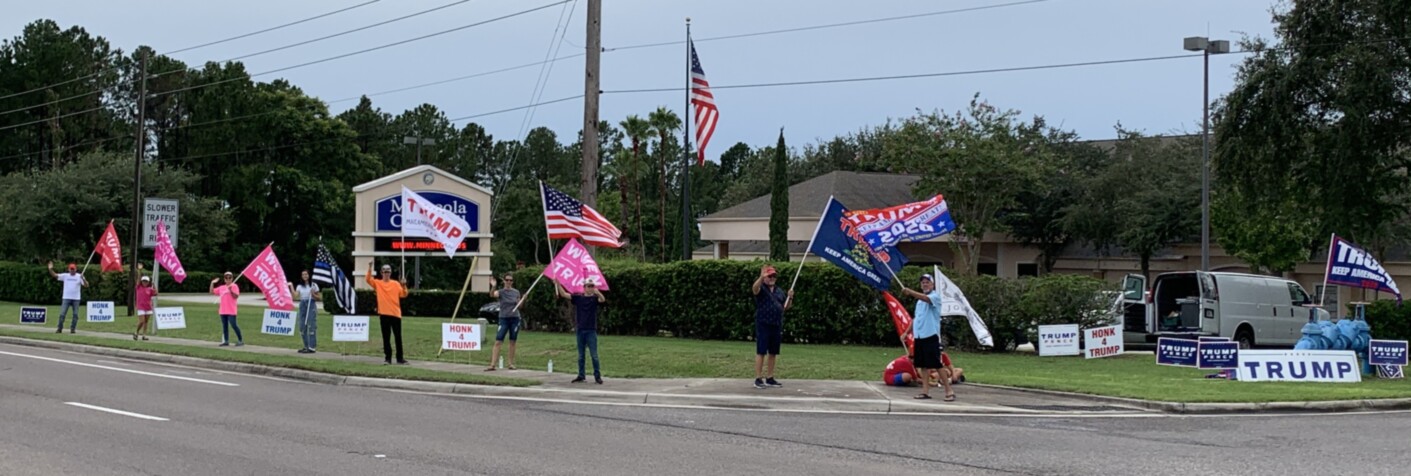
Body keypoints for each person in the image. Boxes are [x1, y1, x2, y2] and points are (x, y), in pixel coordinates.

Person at [901, 274, 954, 401]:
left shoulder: (934, 297)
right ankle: (925, 391)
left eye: (927, 282)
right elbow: (916, 318)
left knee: (937, 364)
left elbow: (926, 298)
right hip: (919, 336)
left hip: (931, 335)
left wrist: (910, 292)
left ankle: (949, 391)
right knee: (923, 365)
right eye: (923, 282)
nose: (924, 284)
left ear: (932, 284)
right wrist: (907, 332)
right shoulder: (919, 302)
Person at [750, 265, 793, 389]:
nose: (772, 278)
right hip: (763, 323)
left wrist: (790, 297)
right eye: (769, 276)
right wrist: (760, 277)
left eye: (774, 276)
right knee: (761, 351)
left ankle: (770, 377)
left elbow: (786, 307)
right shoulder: (761, 289)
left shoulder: (779, 291)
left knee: (773, 352)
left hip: (776, 323)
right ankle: (758, 378)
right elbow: (754, 288)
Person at [557, 278, 605, 384]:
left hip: (591, 330)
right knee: (581, 355)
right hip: (580, 329)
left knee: (594, 355)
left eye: (592, 286)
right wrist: (558, 284)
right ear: (584, 287)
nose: (590, 288)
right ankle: (581, 375)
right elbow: (564, 294)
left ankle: (597, 376)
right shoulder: (578, 297)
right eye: (588, 286)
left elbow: (602, 300)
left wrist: (598, 293)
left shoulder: (594, 299)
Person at [367, 263, 409, 365]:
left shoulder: (395, 284)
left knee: (398, 337)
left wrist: (404, 285)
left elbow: (403, 294)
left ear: (390, 273)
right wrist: (370, 268)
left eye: (388, 272)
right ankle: (388, 358)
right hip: (384, 314)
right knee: (386, 338)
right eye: (385, 272)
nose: (387, 274)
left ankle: (400, 358)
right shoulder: (378, 283)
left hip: (395, 314)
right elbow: (368, 279)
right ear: (381, 273)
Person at [486, 273, 521, 371]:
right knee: (498, 340)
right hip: (504, 318)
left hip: (515, 318)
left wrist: (523, 300)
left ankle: (510, 363)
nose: (509, 282)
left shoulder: (516, 292)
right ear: (504, 281)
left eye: (511, 280)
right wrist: (493, 286)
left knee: (512, 341)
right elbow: (492, 294)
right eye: (507, 280)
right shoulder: (501, 292)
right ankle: (492, 364)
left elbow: (520, 306)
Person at [47, 262, 88, 334]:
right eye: (71, 269)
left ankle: (73, 329)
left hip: (76, 298)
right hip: (66, 298)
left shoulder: (79, 276)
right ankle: (59, 328)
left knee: (75, 314)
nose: (72, 271)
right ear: (69, 269)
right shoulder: (65, 276)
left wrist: (83, 279)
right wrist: (50, 269)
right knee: (62, 314)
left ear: (76, 269)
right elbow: (55, 275)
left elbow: (86, 285)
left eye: (73, 269)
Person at [882, 354, 965, 387]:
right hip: (890, 377)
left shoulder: (943, 356)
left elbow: (950, 365)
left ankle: (948, 380)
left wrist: (952, 373)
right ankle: (946, 380)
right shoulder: (908, 363)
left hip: (933, 373)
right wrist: (931, 383)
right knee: (908, 376)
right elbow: (917, 376)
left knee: (955, 370)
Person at [210, 272, 244, 347]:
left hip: (231, 310)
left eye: (229, 278)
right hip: (223, 310)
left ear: (232, 278)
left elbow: (236, 296)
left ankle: (240, 340)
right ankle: (226, 341)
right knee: (224, 326)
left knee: (233, 325)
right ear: (224, 279)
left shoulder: (234, 286)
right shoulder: (222, 287)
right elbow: (212, 291)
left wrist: (231, 290)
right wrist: (212, 283)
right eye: (226, 278)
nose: (228, 279)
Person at [291, 270, 321, 354]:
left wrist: (313, 294)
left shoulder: (313, 285)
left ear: (309, 275)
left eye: (306, 274)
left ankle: (312, 347)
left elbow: (319, 298)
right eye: (303, 274)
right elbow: (295, 296)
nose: (305, 275)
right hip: (302, 304)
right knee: (302, 326)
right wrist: (291, 286)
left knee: (312, 326)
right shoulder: (300, 286)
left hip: (311, 304)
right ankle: (306, 346)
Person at [133, 276, 157, 340]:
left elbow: (155, 293)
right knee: (142, 321)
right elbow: (137, 281)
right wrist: (139, 271)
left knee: (146, 322)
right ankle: (136, 332)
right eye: (143, 281)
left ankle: (144, 335)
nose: (144, 282)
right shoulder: (138, 287)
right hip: (141, 307)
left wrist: (154, 285)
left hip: (148, 307)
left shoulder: (150, 289)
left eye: (146, 281)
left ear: (148, 282)